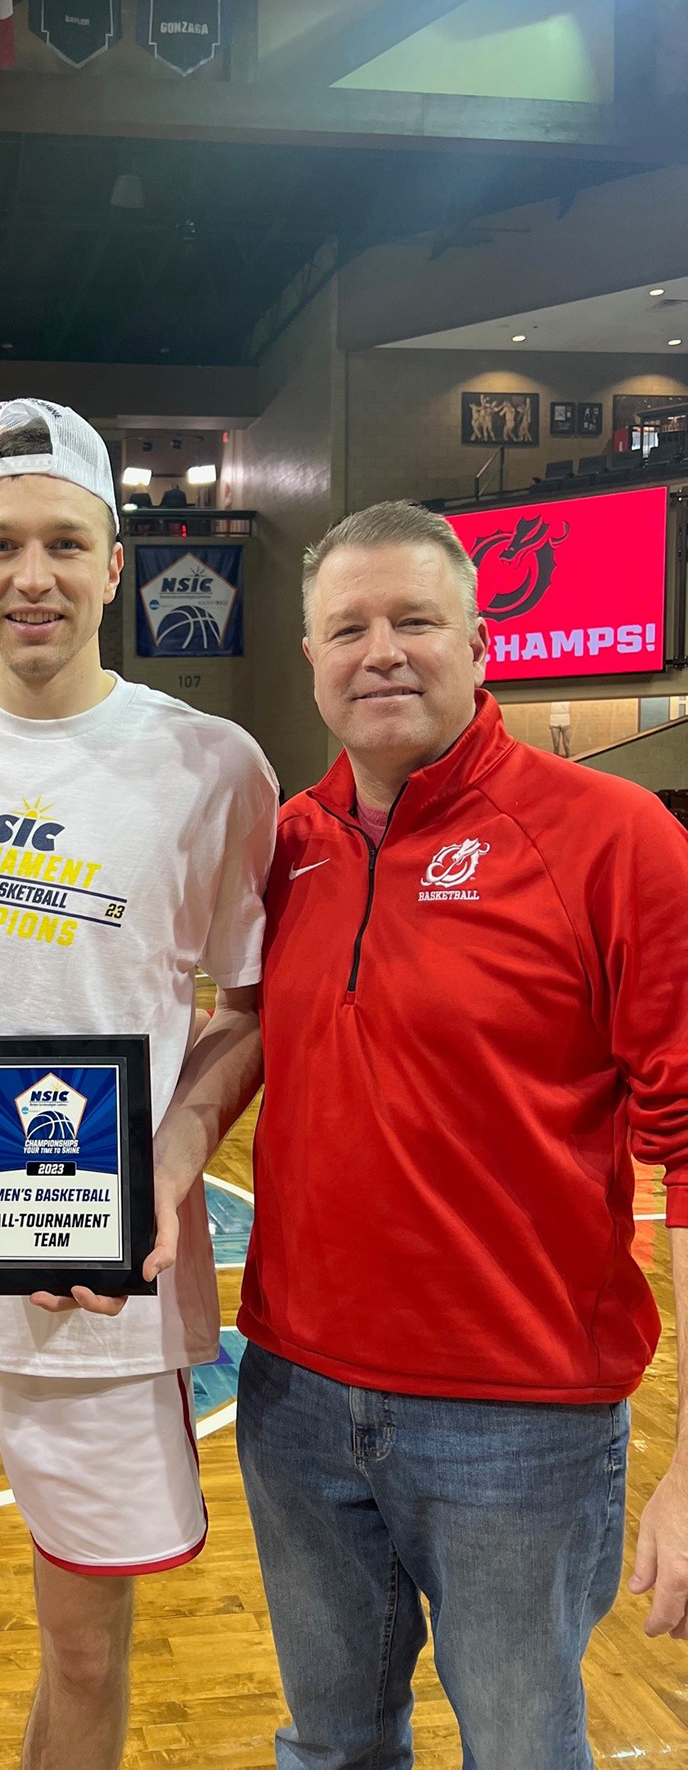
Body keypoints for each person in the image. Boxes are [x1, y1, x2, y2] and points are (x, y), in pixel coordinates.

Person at [0, 398, 278, 1770]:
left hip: (98, 1297)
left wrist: (171, 1156)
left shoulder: (212, 766)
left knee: (85, 1656)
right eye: (3, 545)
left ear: (115, 564)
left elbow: (251, 1005)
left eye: (66, 545)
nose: (34, 576)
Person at [236, 500, 688, 1769]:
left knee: (520, 1751)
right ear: (311, 661)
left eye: (414, 621)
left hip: (519, 1421)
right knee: (329, 1749)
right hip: (294, 1396)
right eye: (347, 629)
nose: (379, 651)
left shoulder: (614, 839)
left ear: (481, 645)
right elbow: (233, 1039)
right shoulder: (286, 847)